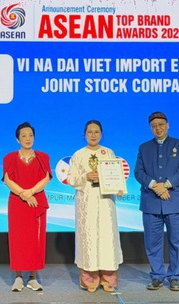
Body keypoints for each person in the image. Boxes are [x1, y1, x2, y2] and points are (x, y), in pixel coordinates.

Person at [134, 111, 179, 292]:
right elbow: (138, 172)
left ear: (168, 125)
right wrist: (154, 185)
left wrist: (166, 185)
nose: (157, 128)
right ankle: (157, 276)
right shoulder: (144, 148)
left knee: (177, 242)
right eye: (154, 126)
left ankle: (175, 277)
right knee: (152, 242)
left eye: (160, 125)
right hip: (151, 202)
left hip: (175, 201)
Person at [67, 120, 123, 293]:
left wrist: (118, 186)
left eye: (96, 132)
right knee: (88, 239)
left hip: (105, 202)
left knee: (107, 238)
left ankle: (108, 280)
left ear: (101, 134)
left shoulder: (108, 152)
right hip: (87, 202)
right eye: (90, 132)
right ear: (84, 134)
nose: (93, 135)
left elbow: (115, 174)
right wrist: (86, 176)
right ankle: (89, 280)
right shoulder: (78, 155)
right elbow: (71, 178)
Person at [2, 121, 52, 292]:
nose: (27, 138)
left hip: (36, 202)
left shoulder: (43, 157)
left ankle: (32, 277)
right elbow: (8, 180)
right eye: (23, 136)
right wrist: (23, 194)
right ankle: (18, 277)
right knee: (18, 239)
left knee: (35, 240)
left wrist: (31, 192)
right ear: (18, 139)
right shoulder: (9, 158)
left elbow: (46, 178)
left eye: (30, 135)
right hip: (17, 202)